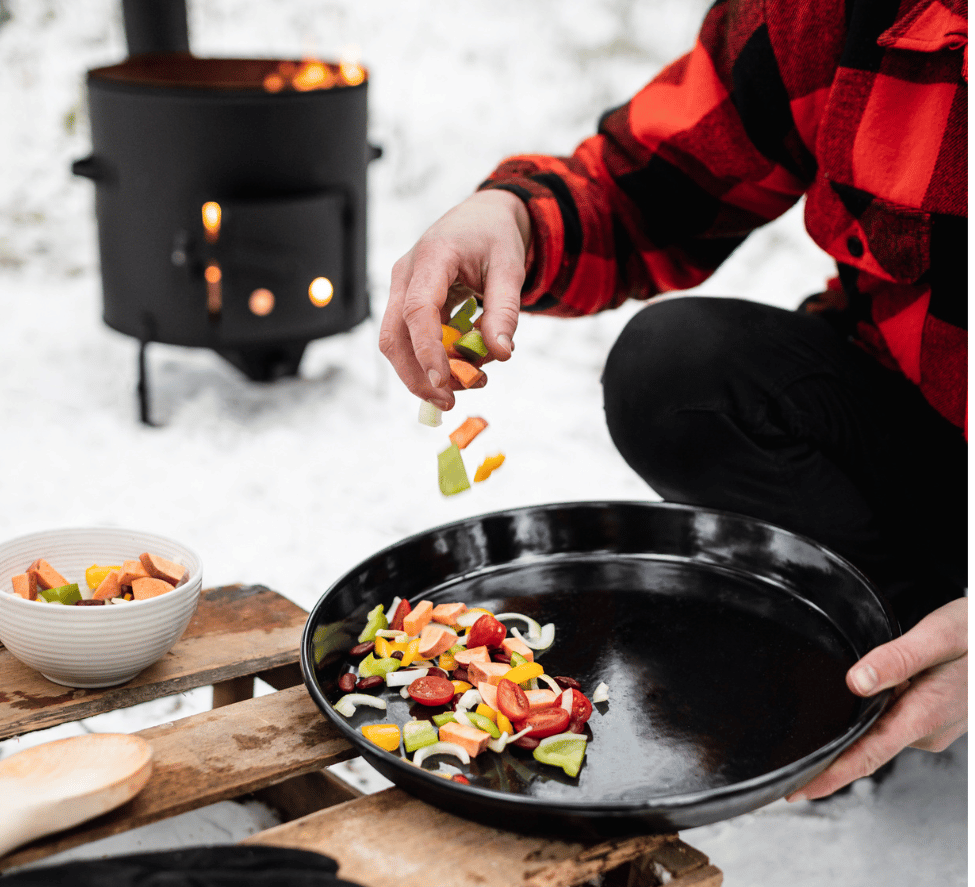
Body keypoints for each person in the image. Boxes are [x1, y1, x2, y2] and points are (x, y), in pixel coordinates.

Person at [379, 0, 967, 800]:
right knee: (678, 370)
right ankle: (891, 644)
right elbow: (648, 187)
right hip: (921, 431)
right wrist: (512, 217)